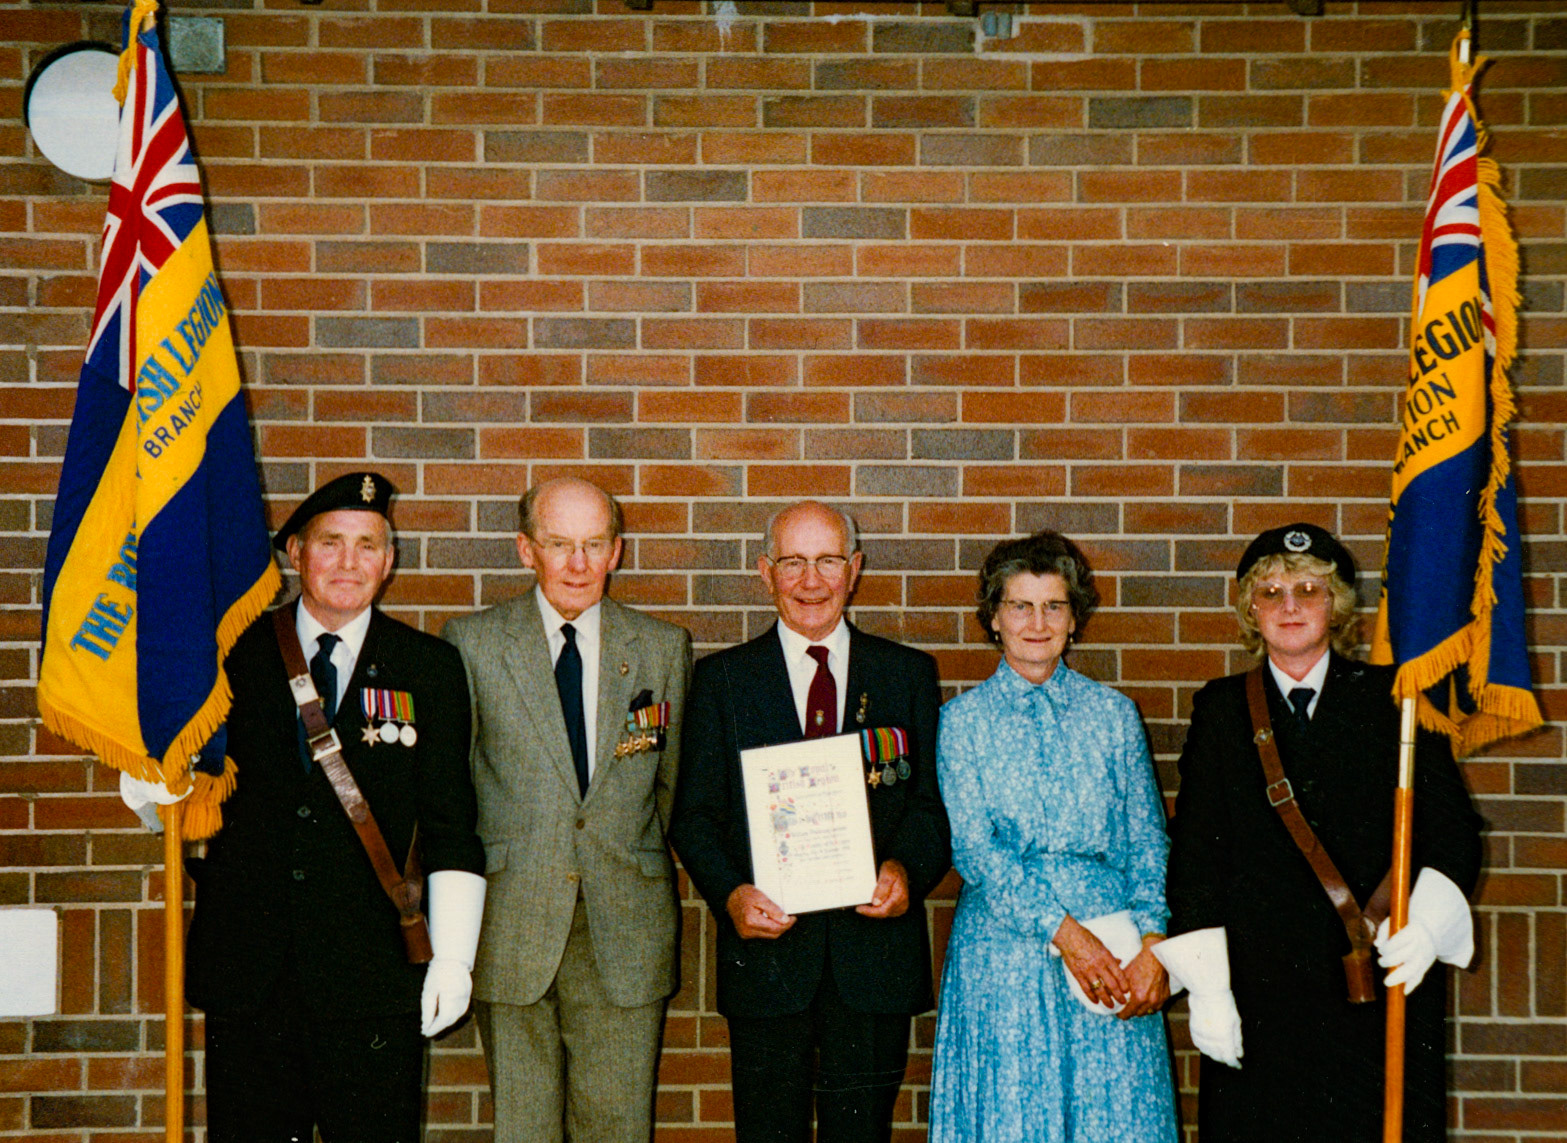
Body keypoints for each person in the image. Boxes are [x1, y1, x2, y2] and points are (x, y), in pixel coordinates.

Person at [123, 471, 487, 1142]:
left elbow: (449, 821)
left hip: (372, 973)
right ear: (294, 553)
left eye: (368, 544)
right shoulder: (227, 656)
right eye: (330, 542)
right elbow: (179, 799)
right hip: (251, 971)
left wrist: (454, 956)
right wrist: (149, 788)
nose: (349, 562)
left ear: (390, 559)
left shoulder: (428, 666)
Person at [1156, 523, 1483, 1142]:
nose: (1290, 606)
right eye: (1271, 591)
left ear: (1336, 606)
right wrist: (1207, 987)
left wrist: (1428, 925)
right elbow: (1196, 856)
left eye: (1309, 589)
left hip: (1377, 982)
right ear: (1250, 609)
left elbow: (1453, 831)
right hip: (1261, 997)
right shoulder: (1222, 710)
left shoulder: (1399, 700)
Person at [669, 500, 949, 1143]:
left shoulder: (906, 675)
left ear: (854, 569)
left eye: (827, 561)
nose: (811, 580)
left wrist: (906, 870)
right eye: (793, 562)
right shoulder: (722, 682)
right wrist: (731, 893)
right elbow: (695, 814)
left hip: (872, 962)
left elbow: (933, 807)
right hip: (769, 962)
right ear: (765, 572)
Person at [443, 477, 692, 1143]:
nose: (577, 564)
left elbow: (669, 787)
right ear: (526, 550)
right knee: (522, 1129)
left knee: (617, 1126)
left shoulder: (663, 647)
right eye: (559, 544)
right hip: (512, 919)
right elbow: (455, 789)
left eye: (592, 544)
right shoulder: (471, 644)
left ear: (616, 550)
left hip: (625, 926)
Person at [928, 531, 1178, 1143]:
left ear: (1074, 618)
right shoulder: (962, 723)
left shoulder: (1114, 716)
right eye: (1020, 605)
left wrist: (1152, 942)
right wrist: (1066, 935)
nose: (1037, 622)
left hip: (1113, 955)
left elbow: (1146, 840)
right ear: (994, 618)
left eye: (1054, 606)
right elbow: (975, 850)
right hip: (1006, 951)